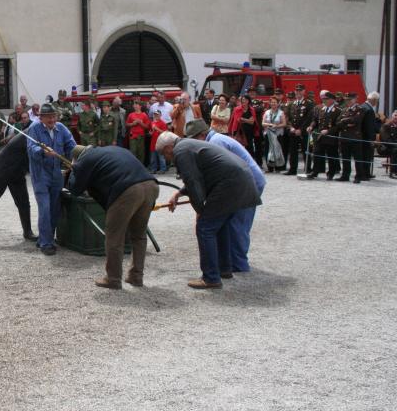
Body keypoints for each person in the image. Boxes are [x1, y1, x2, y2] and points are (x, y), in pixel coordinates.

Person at [158, 131, 261, 289]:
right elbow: (201, 175)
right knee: (221, 226)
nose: (166, 158)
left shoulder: (181, 152)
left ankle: (211, 277)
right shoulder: (188, 145)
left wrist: (200, 211)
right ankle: (224, 268)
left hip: (230, 184)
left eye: (164, 153)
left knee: (205, 228)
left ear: (169, 147)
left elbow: (193, 182)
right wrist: (179, 193)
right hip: (242, 180)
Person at [67, 145, 159, 289]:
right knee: (139, 235)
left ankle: (113, 279)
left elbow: (74, 189)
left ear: (77, 158)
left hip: (128, 191)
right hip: (151, 185)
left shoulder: (84, 160)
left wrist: (74, 169)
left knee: (114, 236)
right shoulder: (114, 149)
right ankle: (136, 277)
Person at [184, 119, 265, 274]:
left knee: (237, 223)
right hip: (248, 179)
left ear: (201, 135)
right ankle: (234, 261)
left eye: (193, 138)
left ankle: (238, 263)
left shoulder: (215, 143)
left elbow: (219, 173)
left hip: (247, 182)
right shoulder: (216, 139)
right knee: (235, 221)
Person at [26, 104, 77, 255]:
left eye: (54, 116)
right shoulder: (34, 129)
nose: (52, 119)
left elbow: (71, 145)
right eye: (48, 117)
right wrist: (43, 151)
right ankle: (46, 244)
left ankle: (45, 237)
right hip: (40, 175)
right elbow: (31, 150)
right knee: (45, 208)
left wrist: (74, 158)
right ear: (41, 118)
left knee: (55, 208)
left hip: (57, 174)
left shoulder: (61, 128)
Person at [307, 92, 342, 180]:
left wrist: (328, 131)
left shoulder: (338, 111)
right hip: (320, 136)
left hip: (331, 137)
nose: (324, 101)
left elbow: (338, 125)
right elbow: (315, 120)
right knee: (317, 153)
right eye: (323, 99)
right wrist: (311, 126)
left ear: (332, 100)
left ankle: (331, 173)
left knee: (331, 156)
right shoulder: (321, 109)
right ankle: (315, 171)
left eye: (326, 99)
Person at [284, 85, 314, 175]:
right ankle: (292, 169)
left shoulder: (308, 103)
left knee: (306, 151)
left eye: (300, 91)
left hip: (303, 132)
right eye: (297, 91)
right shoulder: (291, 104)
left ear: (304, 91)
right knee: (293, 151)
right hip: (293, 131)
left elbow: (309, 118)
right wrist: (291, 127)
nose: (298, 92)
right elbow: (287, 117)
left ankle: (307, 169)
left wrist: (301, 129)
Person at [337, 92, 365, 183]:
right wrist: (346, 123)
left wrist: (344, 120)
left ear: (355, 99)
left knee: (357, 158)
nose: (348, 101)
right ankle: (345, 175)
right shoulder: (344, 109)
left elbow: (356, 120)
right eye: (347, 100)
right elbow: (338, 122)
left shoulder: (359, 109)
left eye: (350, 100)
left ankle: (358, 176)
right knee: (345, 158)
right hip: (345, 137)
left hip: (355, 137)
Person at [261, 96, 287, 172]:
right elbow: (262, 123)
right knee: (268, 150)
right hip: (268, 134)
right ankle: (269, 167)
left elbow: (284, 123)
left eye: (275, 102)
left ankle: (278, 166)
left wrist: (277, 126)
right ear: (270, 103)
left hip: (277, 134)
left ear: (278, 103)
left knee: (277, 150)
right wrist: (268, 124)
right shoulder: (267, 112)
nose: (273, 104)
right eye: (272, 102)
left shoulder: (281, 112)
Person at [360, 92, 379, 180]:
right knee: (366, 156)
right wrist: (372, 139)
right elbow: (369, 126)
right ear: (373, 100)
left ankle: (366, 173)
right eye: (377, 100)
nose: (377, 103)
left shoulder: (362, 106)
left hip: (361, 136)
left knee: (365, 156)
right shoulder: (369, 110)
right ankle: (365, 174)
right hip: (366, 137)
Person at [378, 110, 397, 178]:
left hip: (394, 147)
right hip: (385, 147)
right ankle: (393, 172)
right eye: (395, 115)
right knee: (395, 151)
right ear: (392, 116)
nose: (396, 117)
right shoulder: (386, 126)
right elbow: (386, 140)